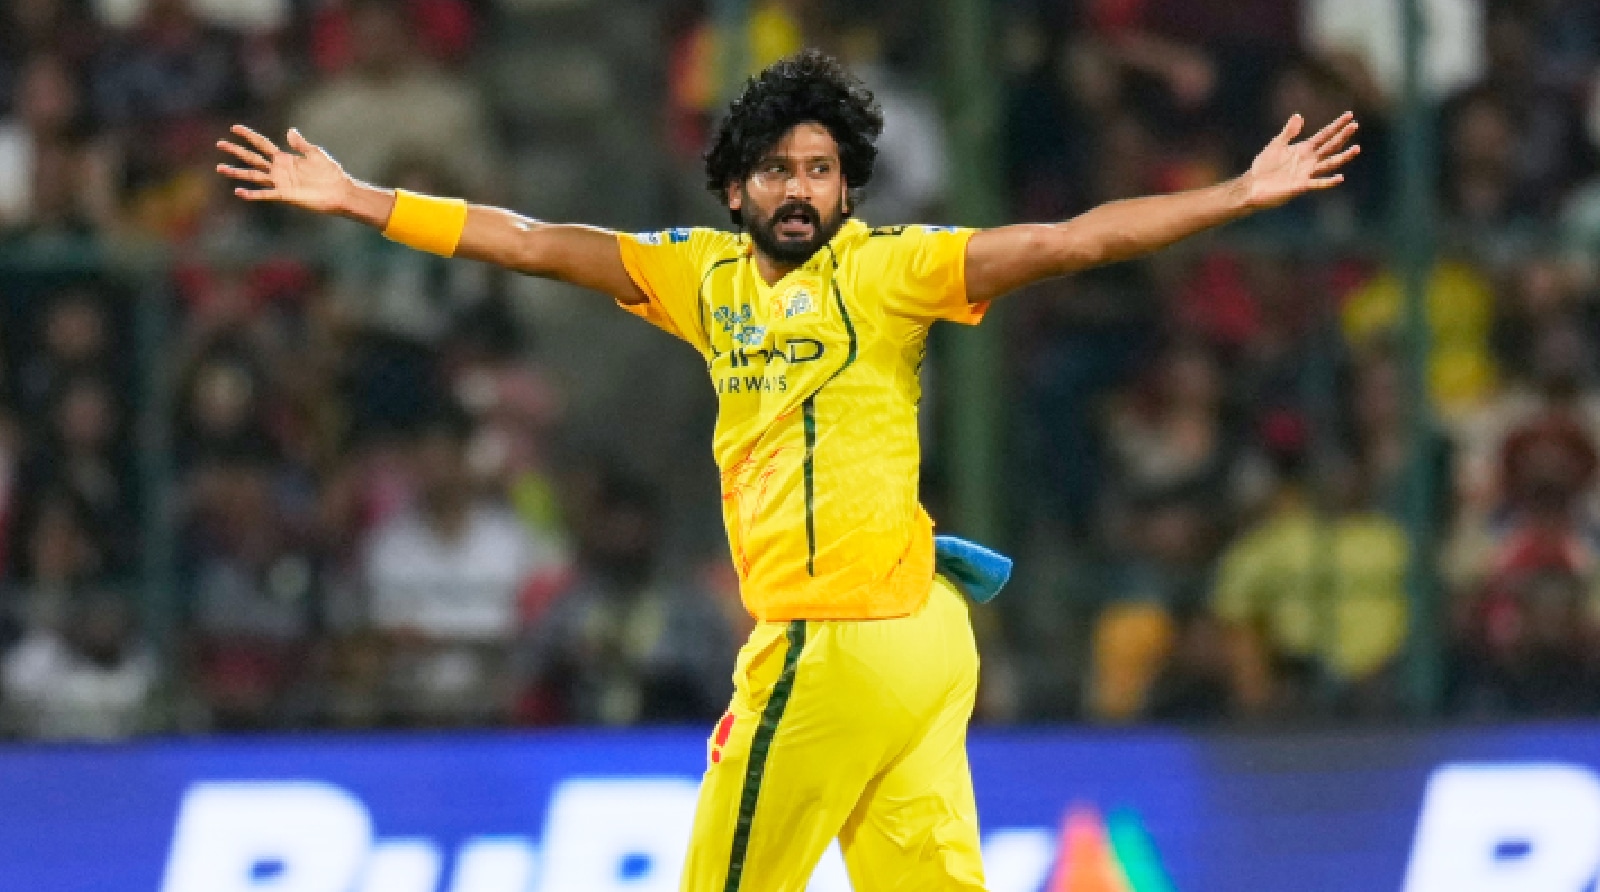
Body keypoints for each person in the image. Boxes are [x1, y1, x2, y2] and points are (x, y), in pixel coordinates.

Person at [218, 48, 1358, 892]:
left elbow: (1069, 241)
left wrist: (1237, 195)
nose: (800, 188)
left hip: (843, 636)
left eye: (820, 169)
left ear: (849, 186)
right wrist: (363, 201)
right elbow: (527, 238)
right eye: (776, 170)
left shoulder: (892, 272)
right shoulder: (698, 278)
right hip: (918, 636)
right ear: (735, 189)